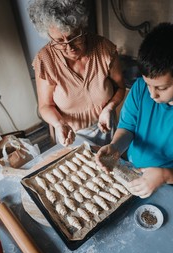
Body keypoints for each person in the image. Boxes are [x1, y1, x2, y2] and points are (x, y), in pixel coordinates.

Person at [95, 22, 173, 198]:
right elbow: (127, 128)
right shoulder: (139, 89)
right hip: (133, 169)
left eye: (161, 88)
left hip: (170, 184)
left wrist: (164, 175)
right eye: (148, 84)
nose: (152, 94)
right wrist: (115, 147)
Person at [28, 0, 126, 146]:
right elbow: (45, 106)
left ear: (82, 27)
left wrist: (109, 108)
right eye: (60, 41)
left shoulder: (104, 49)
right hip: (70, 133)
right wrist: (59, 124)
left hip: (105, 125)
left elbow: (120, 88)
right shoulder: (45, 60)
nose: (69, 47)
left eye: (74, 36)